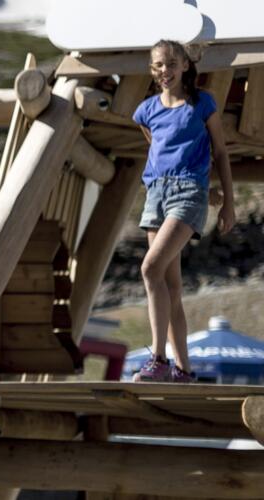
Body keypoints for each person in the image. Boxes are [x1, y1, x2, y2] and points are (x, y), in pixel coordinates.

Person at [132, 40, 235, 383]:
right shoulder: (146, 110)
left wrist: (227, 201)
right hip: (155, 195)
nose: (165, 71)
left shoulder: (202, 103)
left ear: (185, 66)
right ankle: (184, 370)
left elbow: (220, 153)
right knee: (169, 285)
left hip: (188, 194)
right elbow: (157, 148)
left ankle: (158, 359)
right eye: (158, 65)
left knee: (150, 269)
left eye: (171, 64)